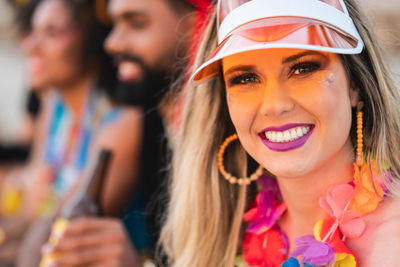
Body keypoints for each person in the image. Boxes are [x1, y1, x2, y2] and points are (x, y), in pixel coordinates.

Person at [160, 0, 400, 266]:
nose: (275, 106)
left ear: (355, 83)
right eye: (245, 78)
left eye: (303, 68)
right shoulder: (220, 240)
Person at [36, 0, 213, 266]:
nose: (112, 43)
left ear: (194, 27)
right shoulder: (141, 124)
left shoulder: (236, 141)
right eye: (114, 24)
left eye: (137, 24)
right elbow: (49, 237)